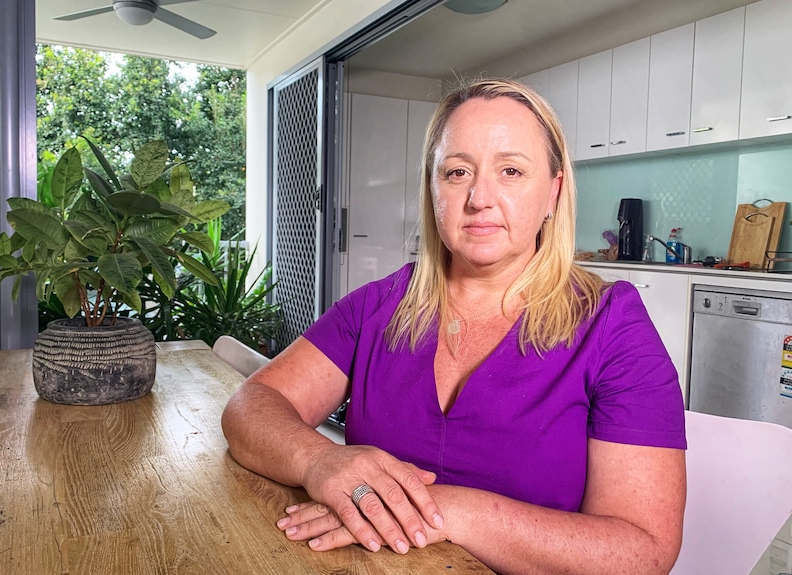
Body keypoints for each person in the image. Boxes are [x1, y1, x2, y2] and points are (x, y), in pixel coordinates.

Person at [221, 78, 686, 574]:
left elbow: (643, 554)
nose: (479, 197)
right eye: (457, 171)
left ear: (552, 193)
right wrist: (320, 461)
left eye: (511, 171)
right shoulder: (376, 307)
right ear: (433, 189)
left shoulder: (612, 325)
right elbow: (251, 406)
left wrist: (446, 510)